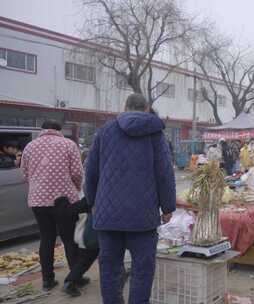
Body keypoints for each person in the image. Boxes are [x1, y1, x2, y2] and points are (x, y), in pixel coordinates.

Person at [85, 93, 176, 304]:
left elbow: (90, 171)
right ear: (146, 109)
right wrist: (168, 207)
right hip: (142, 216)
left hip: (108, 216)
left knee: (109, 269)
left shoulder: (105, 131)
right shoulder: (155, 133)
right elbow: (164, 173)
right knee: (142, 271)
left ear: (124, 107)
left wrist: (91, 202)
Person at [20, 120, 83, 291]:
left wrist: (38, 186)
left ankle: (47, 280)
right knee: (69, 239)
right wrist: (76, 189)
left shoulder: (30, 147)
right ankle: (74, 278)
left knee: (46, 238)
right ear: (59, 130)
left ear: (42, 130)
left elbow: (24, 174)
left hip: (38, 201)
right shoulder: (69, 145)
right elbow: (77, 172)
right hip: (64, 201)